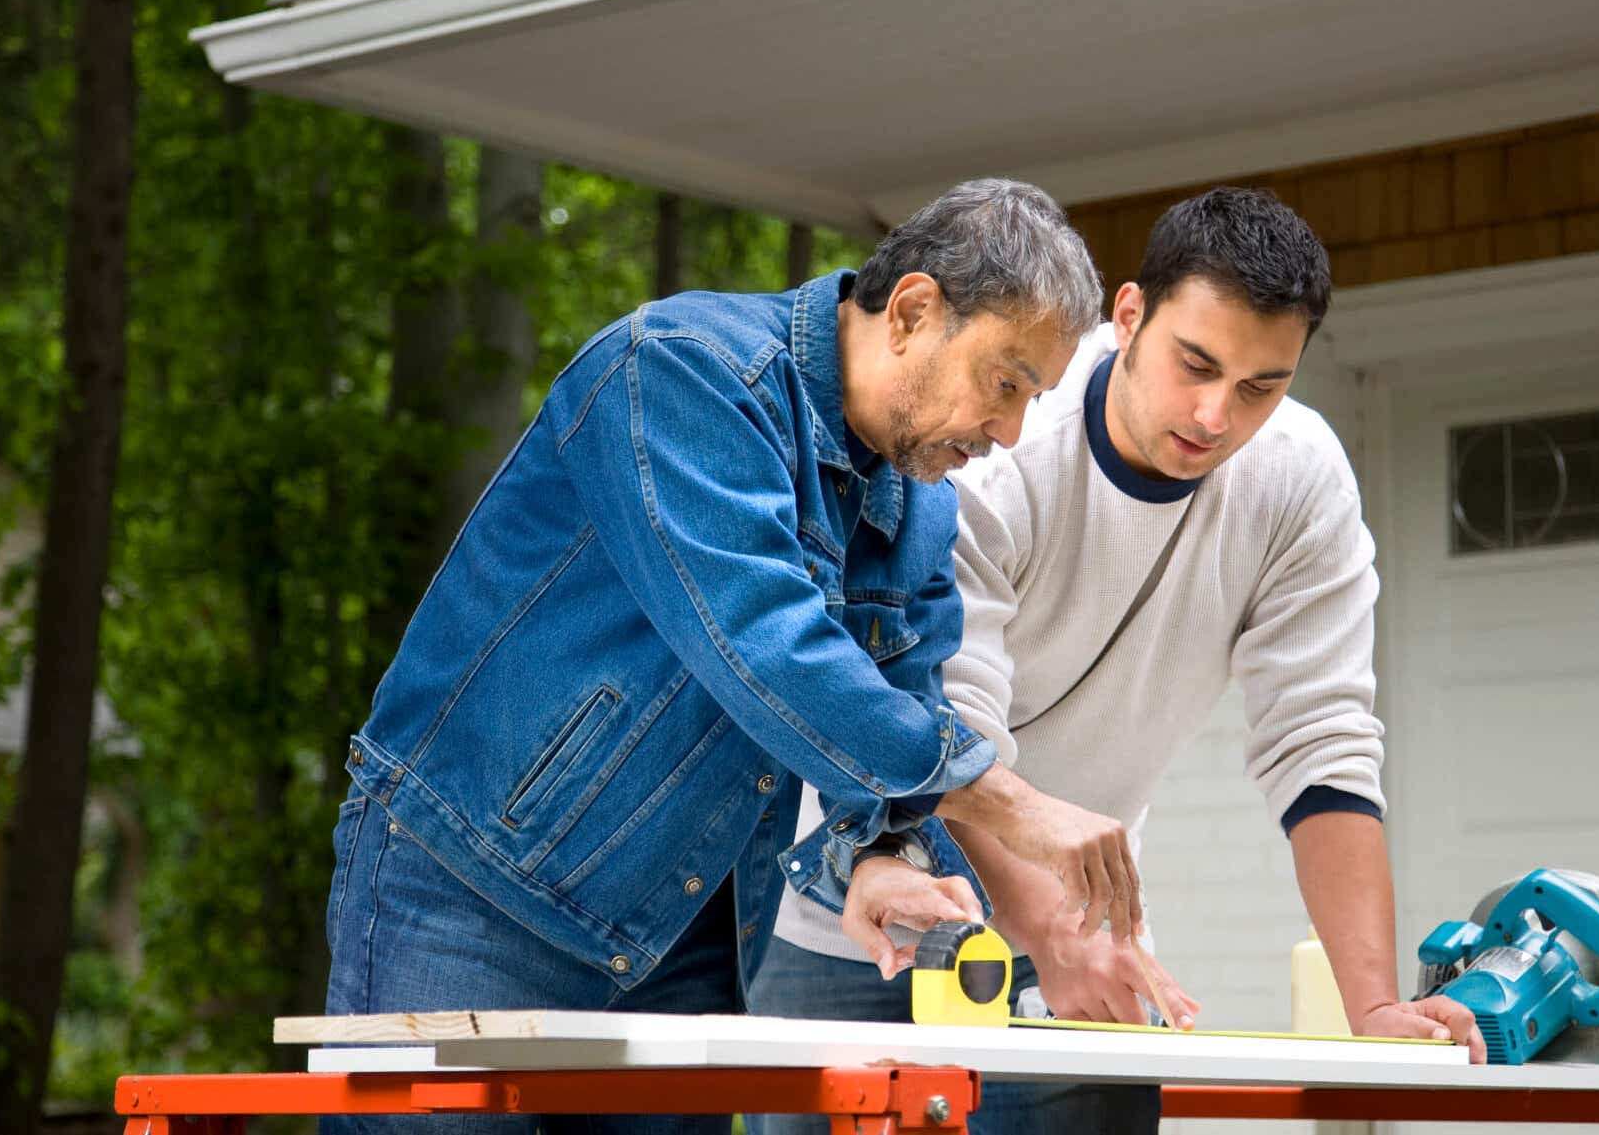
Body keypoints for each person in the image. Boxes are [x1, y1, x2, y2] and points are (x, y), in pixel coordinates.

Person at [321, 178, 1140, 1134]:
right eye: (1004, 383)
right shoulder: (677, 374)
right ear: (913, 311)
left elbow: (896, 704)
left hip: (682, 925)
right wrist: (1011, 801)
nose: (1006, 433)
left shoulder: (918, 509)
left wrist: (875, 853)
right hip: (470, 887)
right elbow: (765, 645)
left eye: (1031, 400)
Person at [749, 187, 1485, 1135]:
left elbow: (1323, 744)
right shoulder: (997, 441)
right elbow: (942, 727)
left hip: (1079, 933)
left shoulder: (1300, 479)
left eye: (1261, 385)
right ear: (1129, 314)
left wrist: (1375, 1006)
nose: (1216, 414)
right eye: (1196, 364)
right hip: (860, 916)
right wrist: (1048, 928)